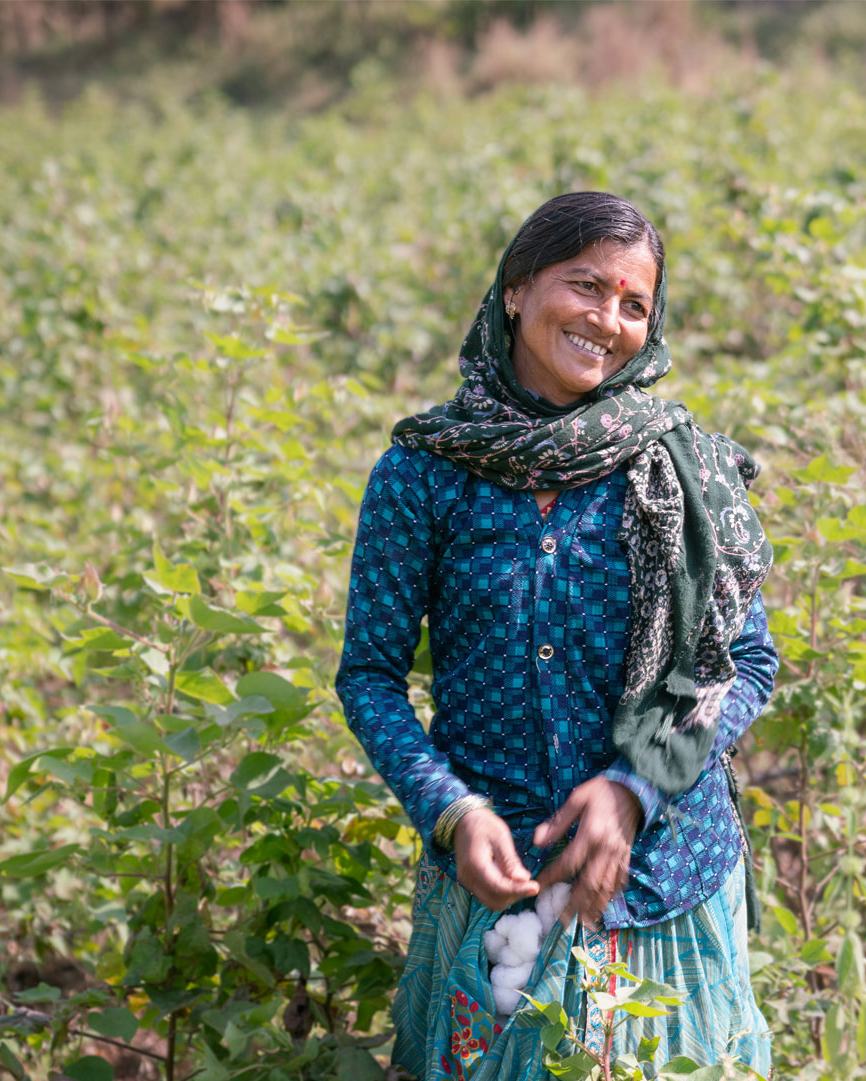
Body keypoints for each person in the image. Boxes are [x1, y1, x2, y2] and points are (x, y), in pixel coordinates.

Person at [334, 191, 777, 1081]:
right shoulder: (423, 473)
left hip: (663, 875)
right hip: (498, 882)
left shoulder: (678, 466)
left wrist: (636, 786)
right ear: (516, 289)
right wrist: (450, 809)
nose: (607, 320)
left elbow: (744, 663)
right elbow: (370, 675)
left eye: (634, 304)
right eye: (585, 286)